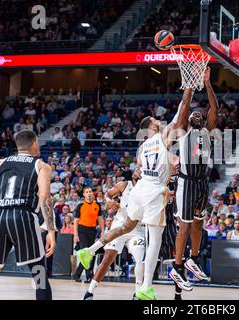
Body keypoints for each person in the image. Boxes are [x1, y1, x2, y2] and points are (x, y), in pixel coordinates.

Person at [76, 86, 191, 300]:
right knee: (155, 238)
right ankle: (146, 287)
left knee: (127, 226)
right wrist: (189, 91)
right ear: (151, 128)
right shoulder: (161, 137)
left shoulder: (142, 147)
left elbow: (147, 168)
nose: (158, 120)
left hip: (140, 190)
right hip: (153, 191)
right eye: (155, 121)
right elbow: (182, 113)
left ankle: (89, 250)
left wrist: (168, 171)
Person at [0, 130, 56, 300]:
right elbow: (44, 198)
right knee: (40, 279)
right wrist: (51, 231)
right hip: (23, 218)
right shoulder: (41, 166)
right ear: (35, 143)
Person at [171, 67, 217, 292]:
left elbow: (214, 108)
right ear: (188, 120)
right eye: (193, 114)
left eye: (200, 113)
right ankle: (177, 268)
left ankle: (193, 259)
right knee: (185, 227)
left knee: (199, 224)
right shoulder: (182, 132)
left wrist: (207, 83)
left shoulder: (207, 131)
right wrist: (189, 83)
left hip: (201, 183)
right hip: (187, 182)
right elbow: (185, 105)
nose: (197, 114)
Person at [82, 172, 145, 300]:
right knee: (107, 259)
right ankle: (89, 292)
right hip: (120, 224)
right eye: (138, 169)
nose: (139, 172)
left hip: (137, 229)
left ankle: (137, 294)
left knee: (140, 259)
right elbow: (107, 194)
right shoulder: (124, 185)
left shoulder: (148, 188)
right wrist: (109, 200)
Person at [72, 186, 105, 283]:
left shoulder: (97, 205)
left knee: (91, 253)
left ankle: (77, 274)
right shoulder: (80, 206)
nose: (89, 193)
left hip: (93, 230)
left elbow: (100, 219)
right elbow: (76, 221)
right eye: (87, 192)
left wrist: (103, 230)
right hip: (82, 230)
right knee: (86, 252)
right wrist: (75, 234)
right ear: (84, 194)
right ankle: (89, 276)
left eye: (90, 191)